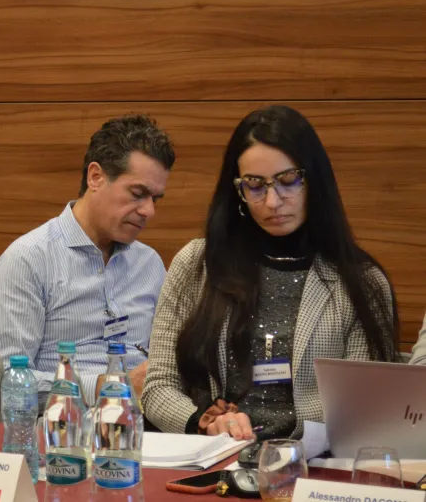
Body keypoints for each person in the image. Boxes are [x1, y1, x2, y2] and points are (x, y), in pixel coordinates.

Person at [143, 106, 400, 441]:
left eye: (287, 181)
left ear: (314, 181)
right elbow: (158, 386)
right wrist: (203, 423)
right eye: (254, 185)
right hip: (215, 455)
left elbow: (364, 404)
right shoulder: (196, 263)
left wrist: (290, 448)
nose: (272, 201)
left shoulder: (362, 283)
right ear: (237, 191)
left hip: (313, 459)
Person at [0, 115, 174, 404]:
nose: (148, 211)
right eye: (138, 194)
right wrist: (104, 387)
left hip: (148, 418)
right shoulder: (28, 259)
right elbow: (11, 383)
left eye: (155, 199)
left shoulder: (149, 264)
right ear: (95, 177)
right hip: (66, 421)